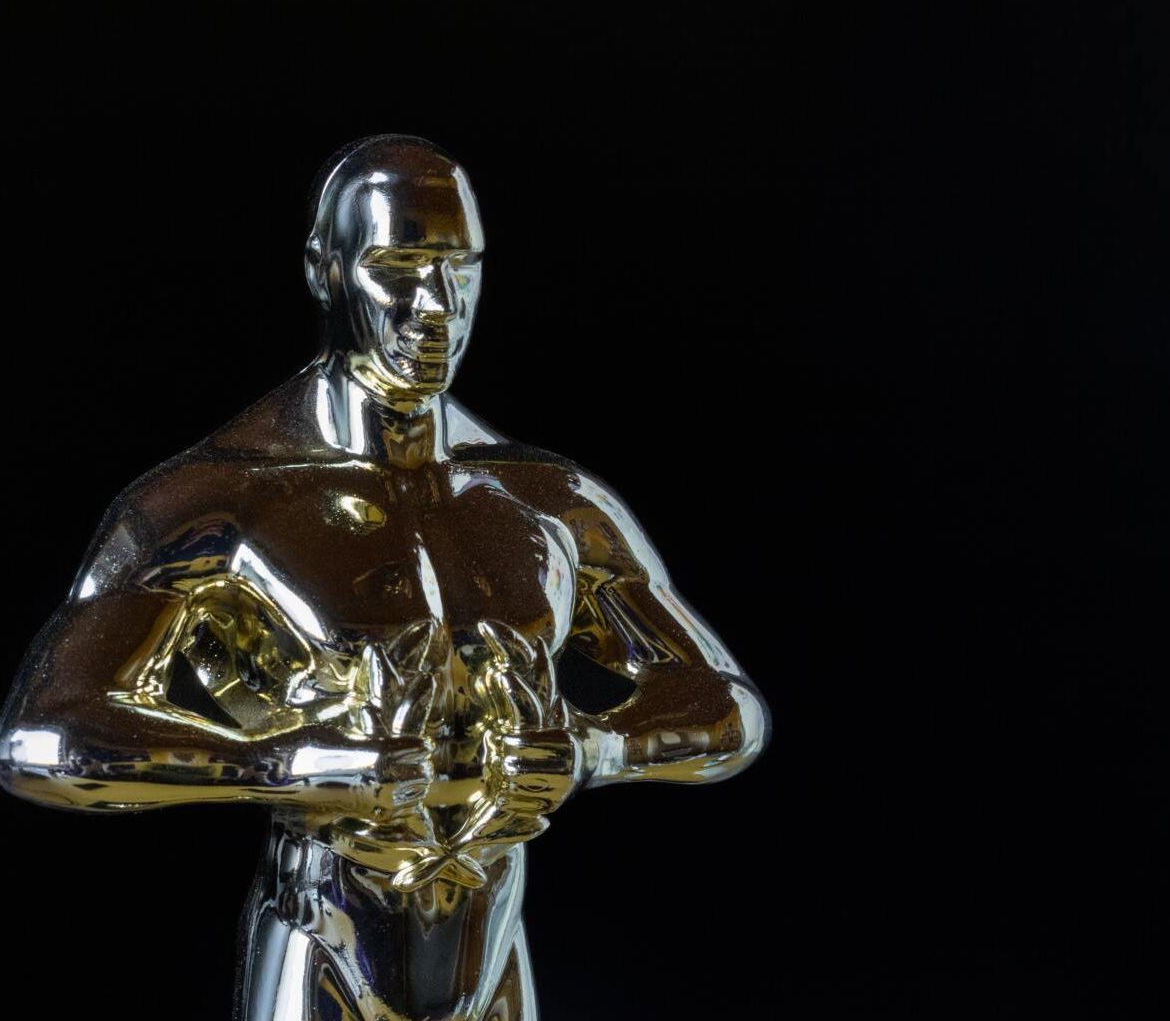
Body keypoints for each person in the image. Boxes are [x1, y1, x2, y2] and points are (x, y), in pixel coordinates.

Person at [0, 133, 769, 1020]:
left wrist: (595, 752)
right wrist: (291, 767)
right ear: (326, 272)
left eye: (458, 268)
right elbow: (46, 739)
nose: (435, 306)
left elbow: (727, 706)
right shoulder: (219, 502)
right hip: (326, 942)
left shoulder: (548, 499)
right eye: (397, 268)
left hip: (495, 952)